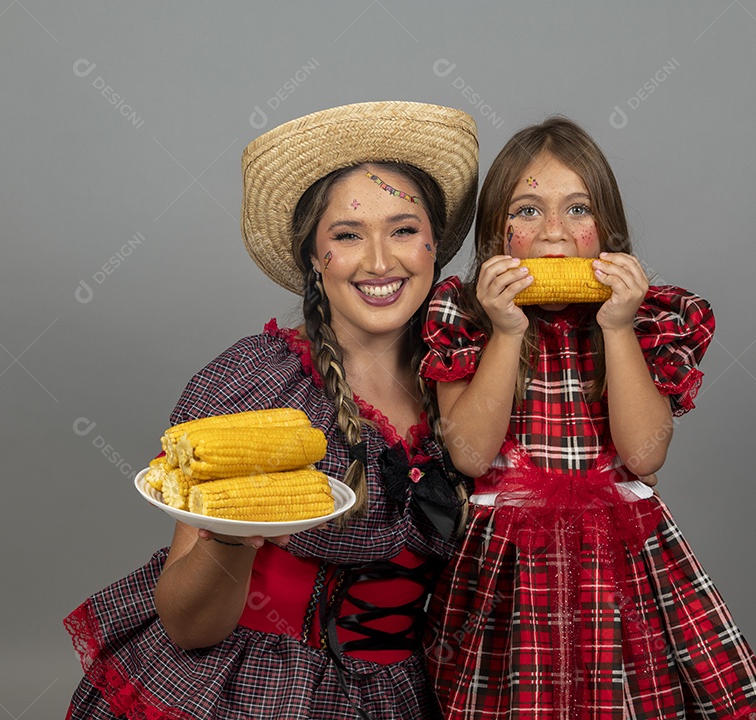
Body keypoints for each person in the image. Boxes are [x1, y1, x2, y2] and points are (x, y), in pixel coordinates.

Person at [63, 100, 479, 719]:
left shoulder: (475, 385)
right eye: (347, 235)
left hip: (402, 699)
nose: (380, 261)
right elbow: (187, 624)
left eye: (402, 229)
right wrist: (233, 538)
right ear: (315, 257)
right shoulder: (256, 384)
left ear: (434, 245)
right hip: (248, 690)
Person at [421, 116, 756, 719]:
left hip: (622, 559)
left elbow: (645, 455)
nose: (554, 234)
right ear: (495, 237)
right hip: (509, 563)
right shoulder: (466, 313)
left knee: (626, 697)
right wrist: (507, 331)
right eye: (526, 211)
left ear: (608, 229)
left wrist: (616, 326)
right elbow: (471, 456)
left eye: (577, 209)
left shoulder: (644, 319)